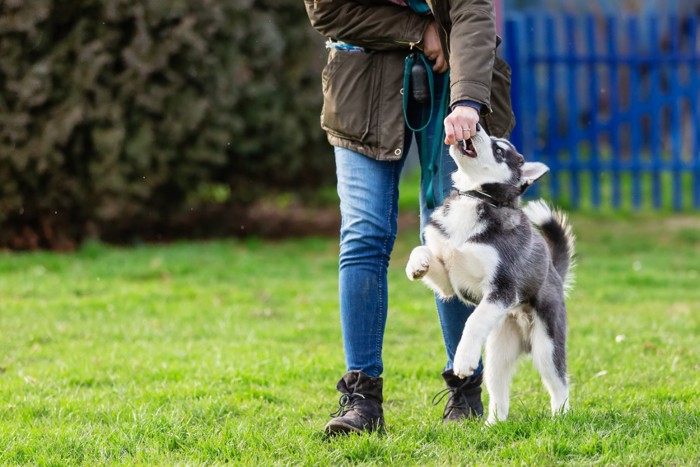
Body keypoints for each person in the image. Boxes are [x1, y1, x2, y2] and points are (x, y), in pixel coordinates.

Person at [305, 0, 515, 435]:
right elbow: (328, 10)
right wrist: (418, 30)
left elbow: (473, 12)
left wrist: (469, 100)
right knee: (364, 233)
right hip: (360, 83)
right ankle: (361, 399)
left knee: (458, 235)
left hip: (455, 83)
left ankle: (465, 386)